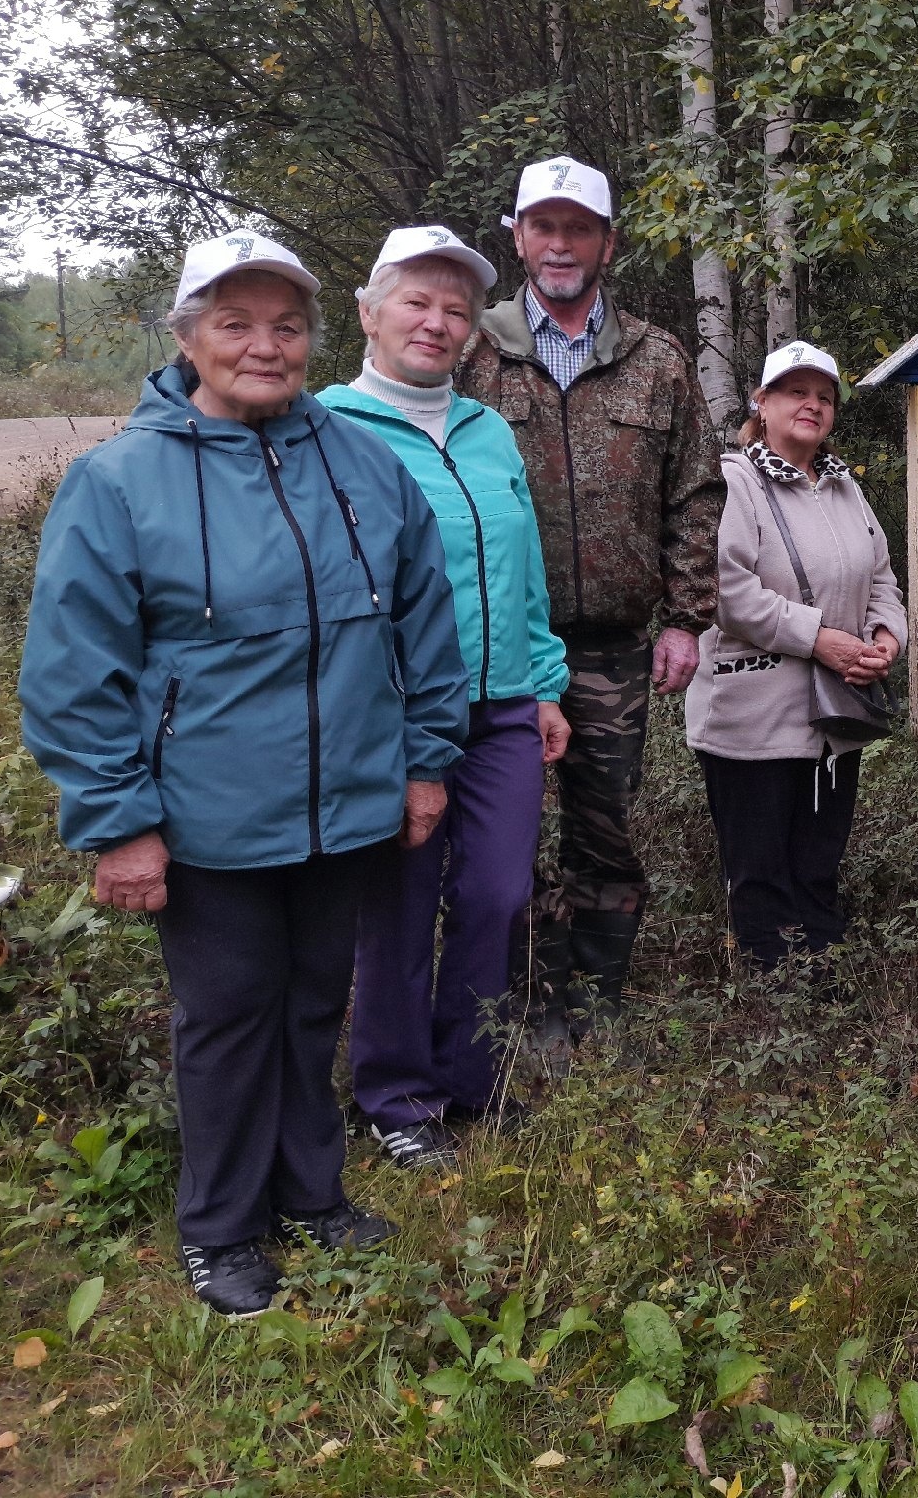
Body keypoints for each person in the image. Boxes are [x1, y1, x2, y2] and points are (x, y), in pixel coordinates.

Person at [19, 232, 466, 1316]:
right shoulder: (120, 482)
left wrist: (423, 765)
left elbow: (422, 625)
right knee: (226, 1019)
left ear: (313, 336)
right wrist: (118, 824)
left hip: (345, 807)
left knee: (315, 1005)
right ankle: (220, 1230)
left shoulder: (365, 464)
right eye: (235, 323)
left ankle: (312, 1196)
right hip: (206, 820)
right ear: (185, 337)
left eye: (285, 325)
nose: (264, 347)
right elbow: (75, 674)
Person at [459, 156, 723, 1053]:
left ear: (608, 243)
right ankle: (532, 1004)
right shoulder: (471, 353)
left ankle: (599, 996)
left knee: (606, 826)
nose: (560, 243)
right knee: (506, 833)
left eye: (579, 228)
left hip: (612, 648)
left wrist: (687, 618)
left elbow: (695, 495)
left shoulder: (658, 360)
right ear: (519, 238)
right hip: (494, 653)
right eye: (544, 226)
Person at [322, 226, 572, 1170]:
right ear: (368, 312)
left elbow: (523, 569)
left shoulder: (487, 428)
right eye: (417, 303)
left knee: (499, 893)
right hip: (388, 713)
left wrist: (543, 683)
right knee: (396, 903)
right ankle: (395, 1096)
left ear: (473, 331)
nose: (437, 322)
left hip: (502, 705)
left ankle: (472, 1079)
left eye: (456, 310)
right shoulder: (327, 427)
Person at [685, 341, 904, 965]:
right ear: (763, 401)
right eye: (795, 392)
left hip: (833, 718)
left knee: (818, 863)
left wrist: (886, 638)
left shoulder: (844, 489)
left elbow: (882, 579)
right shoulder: (732, 482)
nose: (811, 405)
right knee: (760, 872)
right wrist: (820, 639)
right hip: (753, 717)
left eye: (824, 397)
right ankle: (772, 1004)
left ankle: (824, 992)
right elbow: (726, 591)